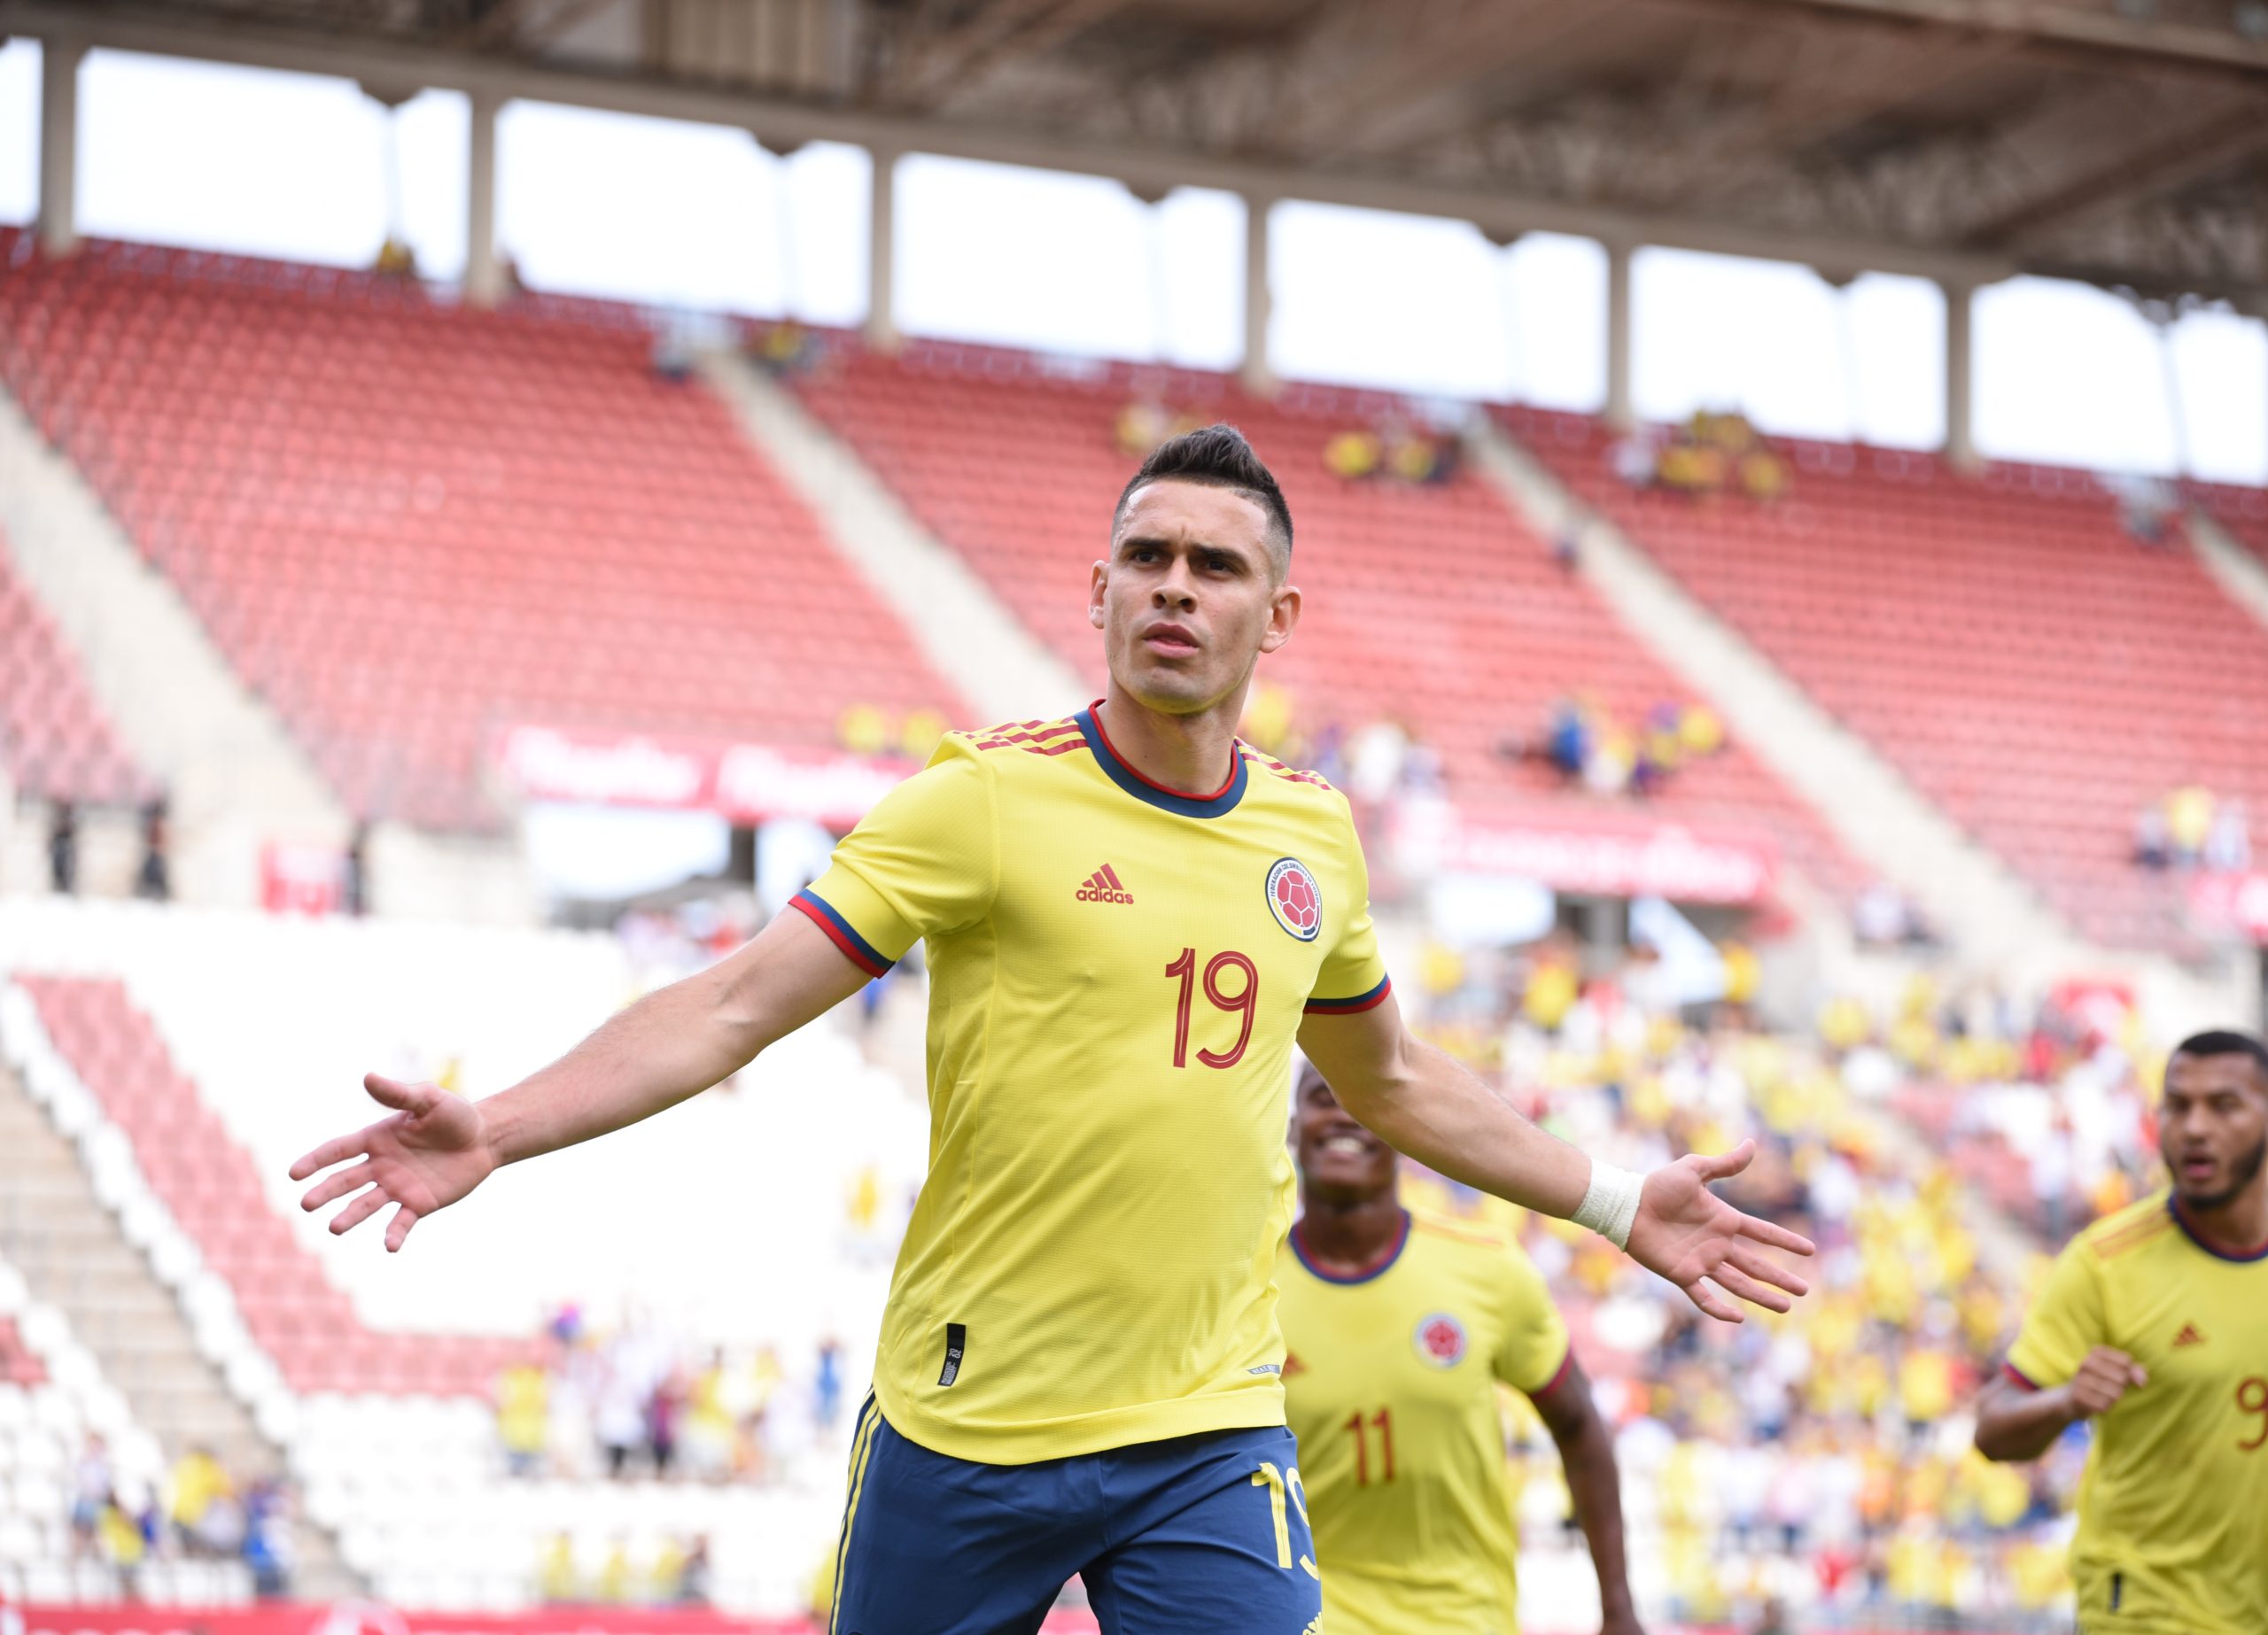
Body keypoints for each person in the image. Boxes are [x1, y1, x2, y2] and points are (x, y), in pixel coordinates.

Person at [291, 425, 1812, 1635]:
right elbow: (738, 1003)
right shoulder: (983, 801)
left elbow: (1391, 1081)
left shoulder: (1312, 842)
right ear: (1096, 595)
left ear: (1273, 616)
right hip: (968, 1420)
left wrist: (1613, 1201)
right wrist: (498, 1124)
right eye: (1143, 557)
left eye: (1213, 565)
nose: (1172, 585)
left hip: (1206, 1429)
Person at [1278, 1062, 1643, 1634]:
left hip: (1467, 1618)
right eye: (1325, 1098)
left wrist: (1618, 1608)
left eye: (1362, 1098)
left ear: (1399, 1125)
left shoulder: (1488, 1270)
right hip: (1311, 1620)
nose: (1344, 1114)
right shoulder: (1249, 1292)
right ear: (1295, 1126)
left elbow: (1579, 1426)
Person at [1973, 1029, 2268, 1633]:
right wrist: (2067, 1400)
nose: (2195, 1127)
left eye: (2225, 1105)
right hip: (2146, 1607)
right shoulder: (2106, 1263)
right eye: (2178, 1104)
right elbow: (1992, 1430)